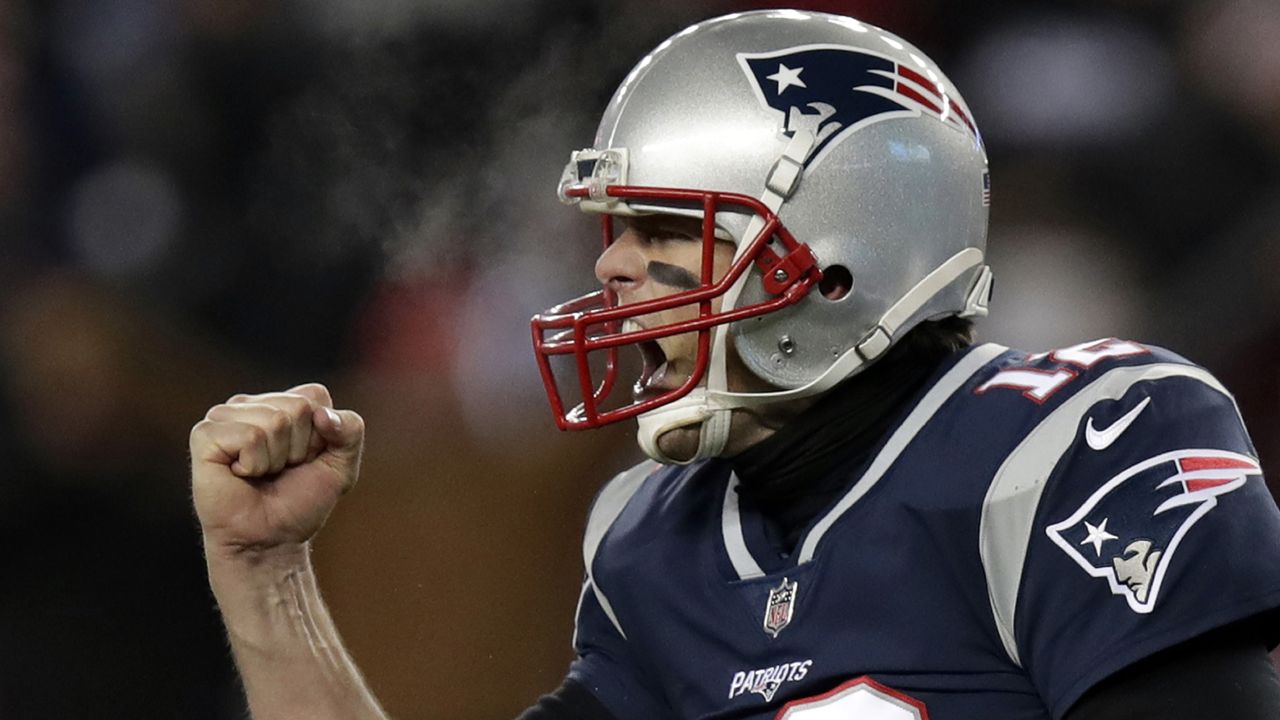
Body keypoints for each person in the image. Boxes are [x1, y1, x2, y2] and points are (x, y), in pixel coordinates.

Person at [189, 10, 1280, 720]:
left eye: (664, 229)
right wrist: (267, 579)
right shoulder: (655, 542)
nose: (612, 268)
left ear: (844, 258)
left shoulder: (1074, 447)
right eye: (612, 230)